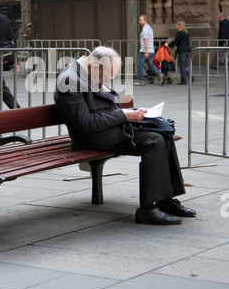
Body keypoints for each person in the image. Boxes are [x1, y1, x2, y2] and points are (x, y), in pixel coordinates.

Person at [54, 46, 196, 225]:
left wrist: (131, 112)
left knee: (163, 134)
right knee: (154, 140)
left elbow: (105, 107)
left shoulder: (88, 70)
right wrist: (124, 115)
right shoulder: (70, 81)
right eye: (105, 76)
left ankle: (165, 199)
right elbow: (85, 124)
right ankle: (147, 209)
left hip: (109, 128)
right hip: (92, 137)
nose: (105, 80)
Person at [135, 15, 165, 86]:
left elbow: (146, 40)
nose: (139, 22)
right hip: (151, 51)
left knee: (140, 65)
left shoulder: (145, 29)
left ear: (145, 20)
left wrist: (146, 51)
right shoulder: (150, 28)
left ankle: (141, 81)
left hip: (145, 51)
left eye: (141, 20)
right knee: (151, 65)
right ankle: (160, 75)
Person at [167, 21, 191, 85]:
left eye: (177, 25)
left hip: (182, 51)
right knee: (185, 65)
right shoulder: (186, 33)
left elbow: (175, 41)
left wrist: (168, 45)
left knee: (181, 66)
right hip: (188, 50)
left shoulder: (179, 33)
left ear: (180, 26)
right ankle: (190, 77)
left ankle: (183, 80)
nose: (176, 26)